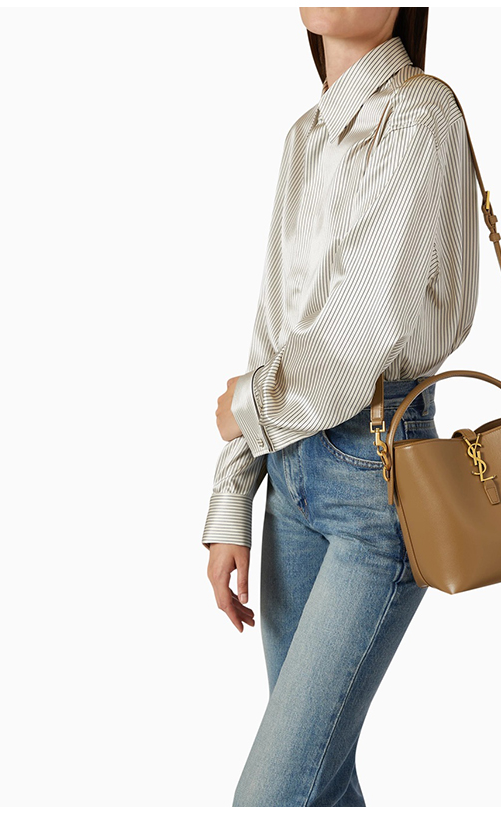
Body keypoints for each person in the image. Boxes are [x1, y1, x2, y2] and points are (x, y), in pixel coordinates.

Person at [201, 7, 480, 807]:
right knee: (319, 787)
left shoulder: (421, 114)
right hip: (291, 477)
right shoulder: (304, 137)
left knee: (272, 796)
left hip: (376, 476)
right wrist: (233, 491)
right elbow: (276, 325)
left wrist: (249, 406)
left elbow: (364, 330)